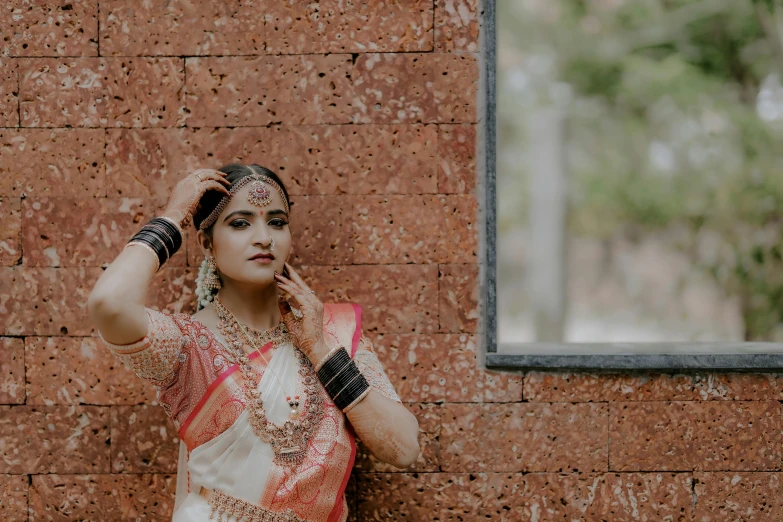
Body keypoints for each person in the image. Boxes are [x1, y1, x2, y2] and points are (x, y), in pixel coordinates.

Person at [87, 164, 420, 522]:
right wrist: (172, 217)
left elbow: (403, 449)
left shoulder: (333, 334)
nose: (264, 237)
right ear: (206, 243)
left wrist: (321, 352)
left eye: (277, 222)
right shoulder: (187, 345)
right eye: (240, 223)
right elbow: (109, 302)